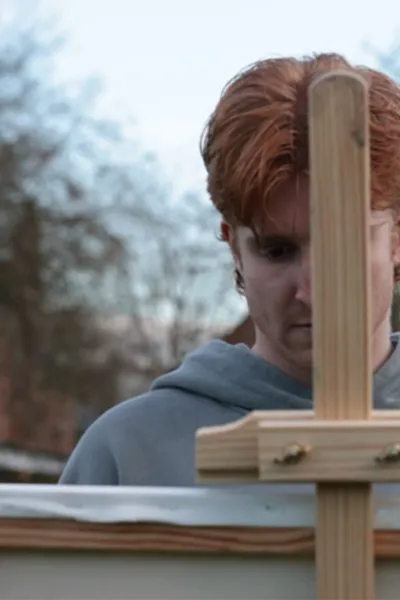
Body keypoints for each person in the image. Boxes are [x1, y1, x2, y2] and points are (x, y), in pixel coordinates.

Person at [59, 53, 400, 486]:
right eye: (277, 251)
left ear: (396, 238)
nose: (313, 293)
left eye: (345, 245)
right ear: (235, 248)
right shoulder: (128, 454)